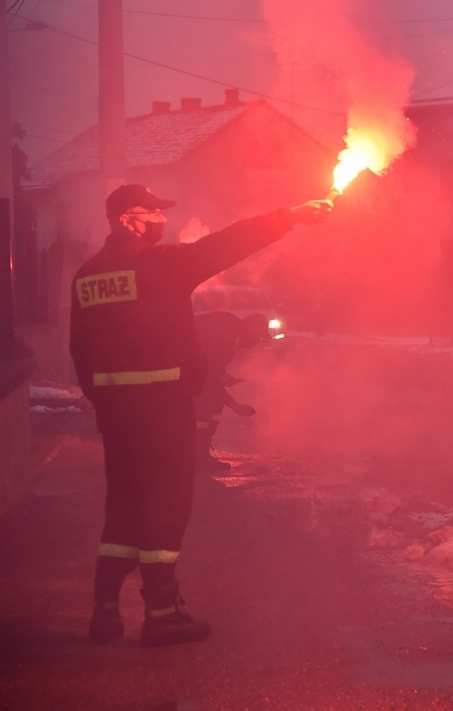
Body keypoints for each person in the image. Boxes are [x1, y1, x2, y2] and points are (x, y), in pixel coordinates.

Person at [72, 184, 332, 646]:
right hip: (163, 407)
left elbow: (80, 348)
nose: (160, 220)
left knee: (125, 503)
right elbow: (227, 243)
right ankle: (162, 615)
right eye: (152, 213)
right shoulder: (162, 264)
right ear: (128, 219)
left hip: (117, 416)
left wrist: (104, 401)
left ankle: (105, 612)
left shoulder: (87, 276)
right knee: (166, 506)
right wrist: (289, 215)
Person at [192, 309, 269, 473]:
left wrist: (235, 405)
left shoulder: (233, 331)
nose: (259, 341)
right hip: (185, 369)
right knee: (204, 415)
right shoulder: (231, 336)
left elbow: (213, 380)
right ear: (252, 326)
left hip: (192, 370)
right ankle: (197, 460)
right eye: (260, 335)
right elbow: (209, 372)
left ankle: (200, 457)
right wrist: (221, 376)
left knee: (212, 406)